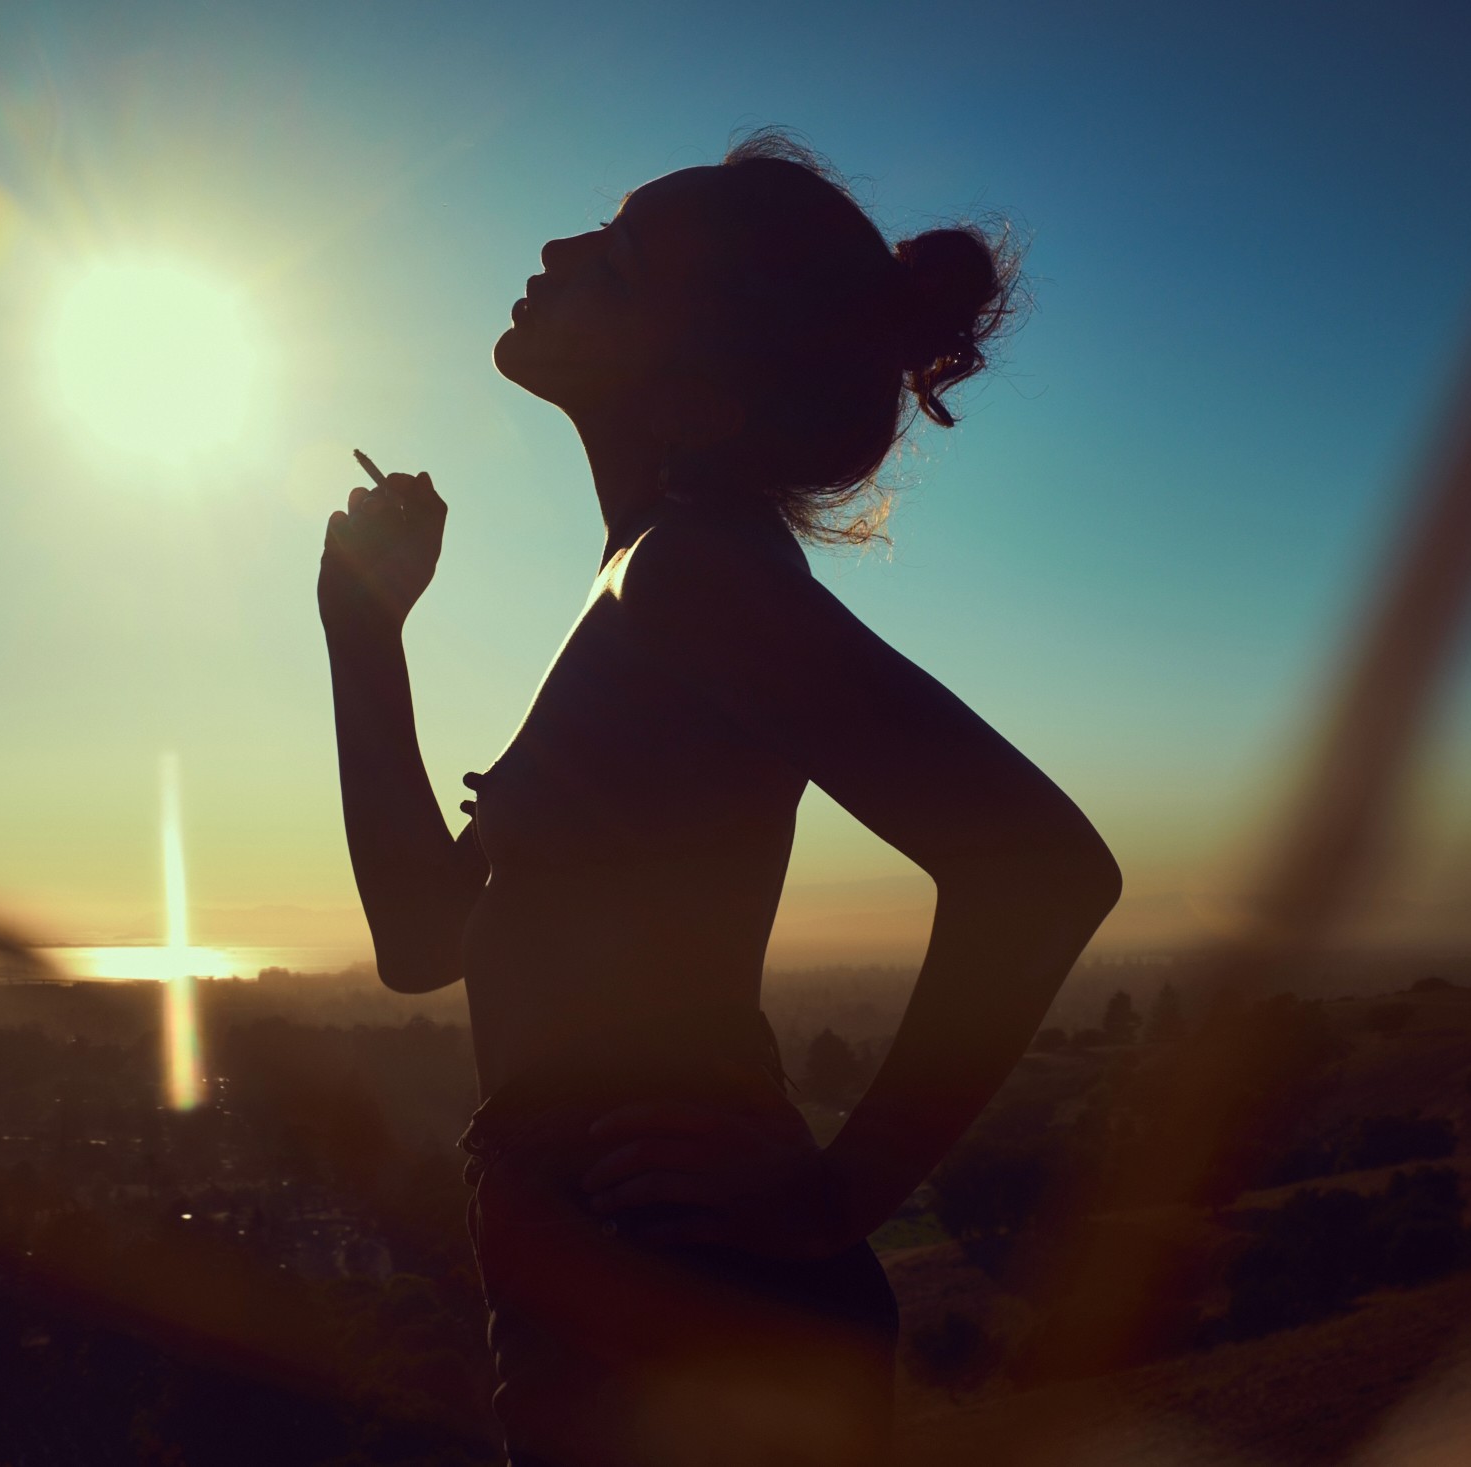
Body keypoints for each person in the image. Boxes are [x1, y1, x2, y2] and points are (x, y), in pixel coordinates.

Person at [318, 132, 1120, 1467]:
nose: (561, 253)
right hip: (600, 1266)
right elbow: (419, 941)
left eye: (617, 265)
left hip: (685, 1288)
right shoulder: (642, 578)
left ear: (697, 389)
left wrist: (836, 1196)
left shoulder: (687, 572)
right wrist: (365, 633)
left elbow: (1040, 869)